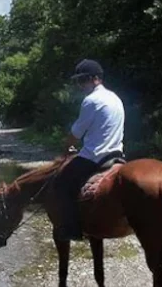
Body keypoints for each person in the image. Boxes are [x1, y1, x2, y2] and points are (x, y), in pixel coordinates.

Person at [54, 59, 126, 241]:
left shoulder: (91, 100)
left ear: (94, 79)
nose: (79, 85)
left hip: (95, 156)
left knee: (62, 182)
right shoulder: (115, 97)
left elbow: (76, 132)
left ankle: (72, 228)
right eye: (78, 81)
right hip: (117, 154)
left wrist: (67, 147)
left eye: (82, 80)